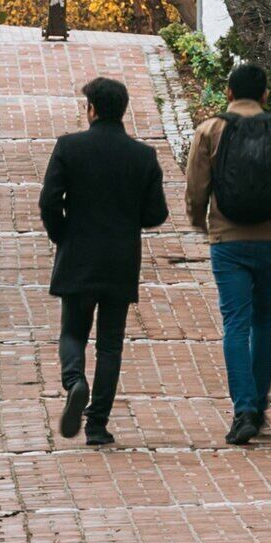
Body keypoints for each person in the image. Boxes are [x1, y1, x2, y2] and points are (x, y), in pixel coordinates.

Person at [183, 58, 271, 447]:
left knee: (235, 323)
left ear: (229, 92)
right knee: (263, 320)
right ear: (265, 94)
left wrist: (201, 222)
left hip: (229, 242)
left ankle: (242, 411)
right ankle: (258, 404)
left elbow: (195, 188)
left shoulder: (211, 130)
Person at [36, 73, 166, 447]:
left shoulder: (68, 147)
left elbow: (49, 202)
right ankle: (97, 424)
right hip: (120, 259)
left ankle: (74, 381)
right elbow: (156, 213)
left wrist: (61, 234)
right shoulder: (143, 156)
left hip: (78, 254)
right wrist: (128, 219)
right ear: (122, 111)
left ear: (91, 109)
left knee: (73, 332)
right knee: (110, 344)